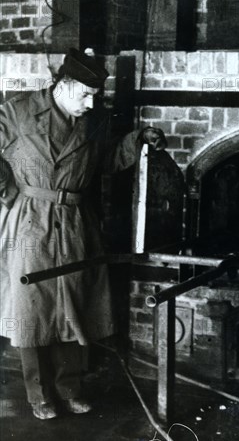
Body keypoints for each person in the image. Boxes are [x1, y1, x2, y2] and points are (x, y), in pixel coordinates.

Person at [0, 49, 167, 420]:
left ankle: (69, 387)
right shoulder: (19, 111)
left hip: (76, 219)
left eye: (95, 96)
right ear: (63, 85)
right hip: (31, 219)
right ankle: (38, 394)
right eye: (85, 95)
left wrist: (138, 139)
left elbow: (106, 160)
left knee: (75, 304)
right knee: (32, 308)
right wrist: (6, 190)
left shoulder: (92, 121)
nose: (91, 104)